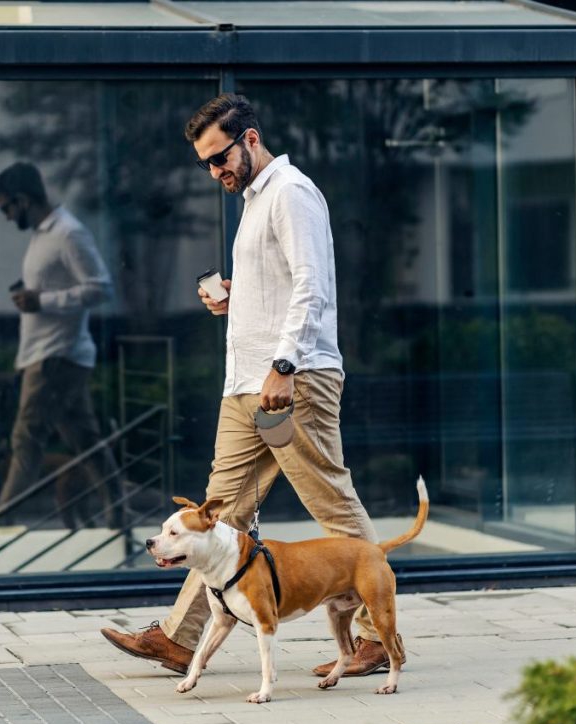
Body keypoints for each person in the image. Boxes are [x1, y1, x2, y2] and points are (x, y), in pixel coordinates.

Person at [101, 94, 404, 678]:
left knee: (332, 504)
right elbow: (282, 284)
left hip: (295, 378)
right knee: (219, 511)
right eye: (206, 164)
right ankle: (179, 638)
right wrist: (238, 296)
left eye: (221, 157)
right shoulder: (254, 201)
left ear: (252, 138)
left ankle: (372, 636)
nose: (216, 171)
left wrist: (284, 366)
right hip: (244, 381)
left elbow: (313, 286)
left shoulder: (291, 193)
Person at [0, 161, 124, 528]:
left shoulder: (68, 233)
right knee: (86, 440)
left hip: (56, 356)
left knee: (25, 440)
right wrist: (35, 296)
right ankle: (119, 515)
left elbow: (101, 288)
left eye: (6, 207)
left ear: (22, 199)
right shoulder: (42, 235)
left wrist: (43, 301)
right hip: (48, 353)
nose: (5, 216)